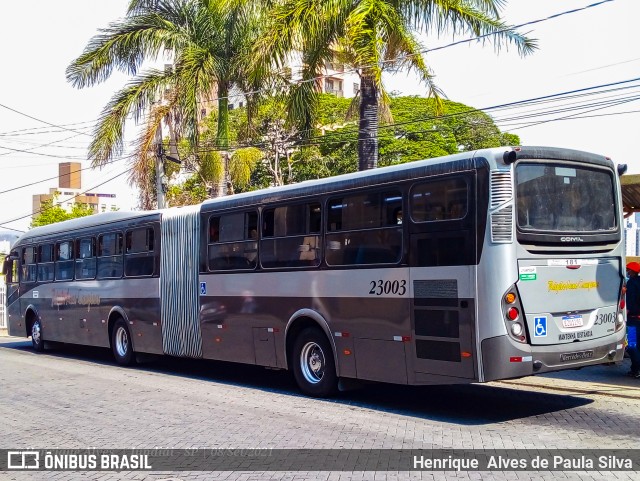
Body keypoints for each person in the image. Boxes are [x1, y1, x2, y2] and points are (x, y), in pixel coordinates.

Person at [625, 261, 640, 378]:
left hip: (633, 320)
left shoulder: (630, 284)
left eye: (628, 270)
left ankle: (636, 370)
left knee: (632, 345)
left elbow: (630, 302)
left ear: (632, 271)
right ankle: (635, 369)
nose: (627, 272)